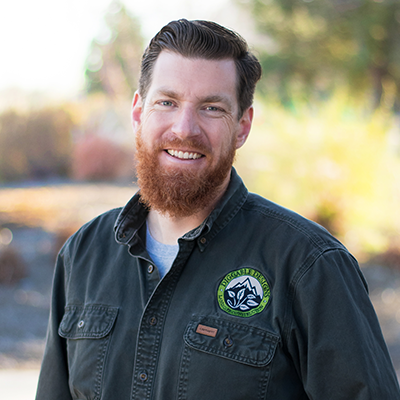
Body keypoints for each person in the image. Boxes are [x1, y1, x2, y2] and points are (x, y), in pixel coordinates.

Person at [36, 19, 400, 400]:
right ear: (138, 113)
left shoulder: (308, 265)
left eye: (211, 108)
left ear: (243, 126)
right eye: (167, 102)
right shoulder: (83, 255)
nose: (184, 128)